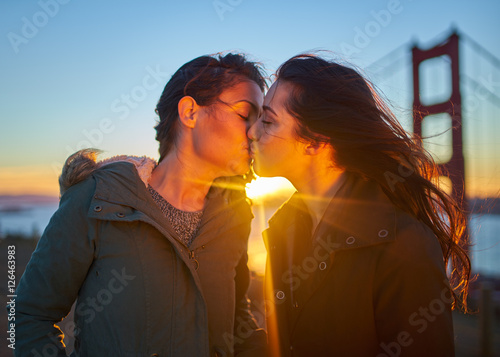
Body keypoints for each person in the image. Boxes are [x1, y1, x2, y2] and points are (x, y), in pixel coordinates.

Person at [15, 53, 267, 357]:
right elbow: (30, 316)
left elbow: (237, 321)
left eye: (262, 120)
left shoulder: (235, 215)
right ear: (189, 112)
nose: (256, 132)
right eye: (245, 115)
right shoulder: (97, 198)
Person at [247, 54, 471, 356]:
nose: (252, 132)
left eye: (268, 120)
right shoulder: (283, 229)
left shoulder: (405, 246)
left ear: (315, 141)